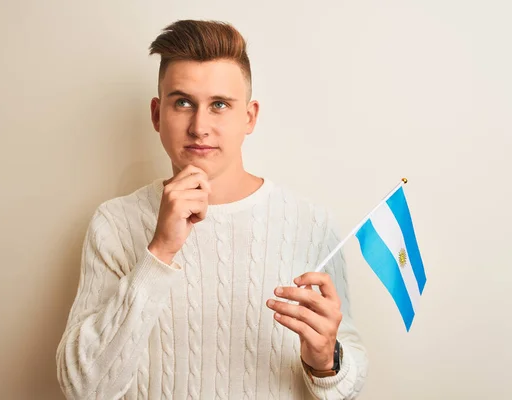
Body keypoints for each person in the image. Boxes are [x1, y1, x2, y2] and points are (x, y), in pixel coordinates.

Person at [56, 19, 368, 400]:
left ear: (249, 117)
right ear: (157, 114)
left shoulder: (311, 224)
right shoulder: (114, 224)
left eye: (219, 105)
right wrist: (159, 253)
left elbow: (349, 386)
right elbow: (82, 389)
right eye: (183, 102)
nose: (199, 126)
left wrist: (326, 362)